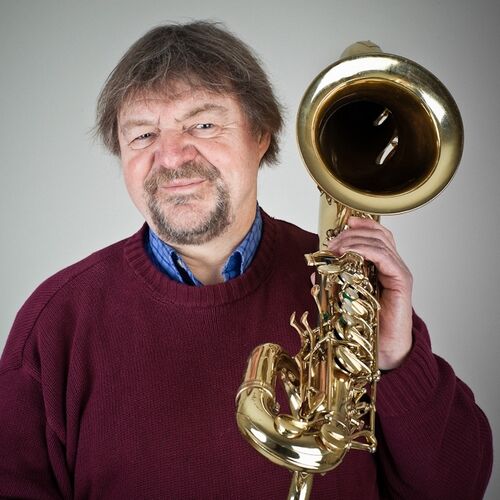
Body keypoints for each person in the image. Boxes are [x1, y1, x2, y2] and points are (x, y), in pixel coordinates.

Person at [0, 21, 492, 500]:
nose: (171, 157)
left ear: (261, 135)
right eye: (143, 135)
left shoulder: (352, 289)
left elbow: (457, 487)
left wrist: (399, 361)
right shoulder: (56, 320)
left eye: (204, 124)